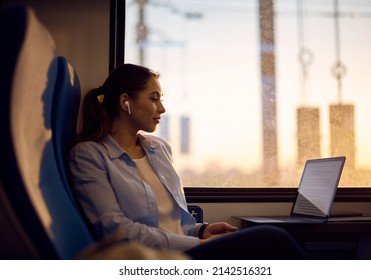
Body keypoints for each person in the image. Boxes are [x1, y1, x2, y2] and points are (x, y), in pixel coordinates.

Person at [69, 63, 306, 260]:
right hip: (153, 259)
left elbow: (175, 221)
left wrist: (202, 230)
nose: (161, 108)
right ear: (125, 102)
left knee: (265, 241)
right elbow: (117, 231)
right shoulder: (90, 156)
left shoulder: (159, 149)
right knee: (271, 238)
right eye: (154, 99)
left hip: (187, 249)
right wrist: (197, 243)